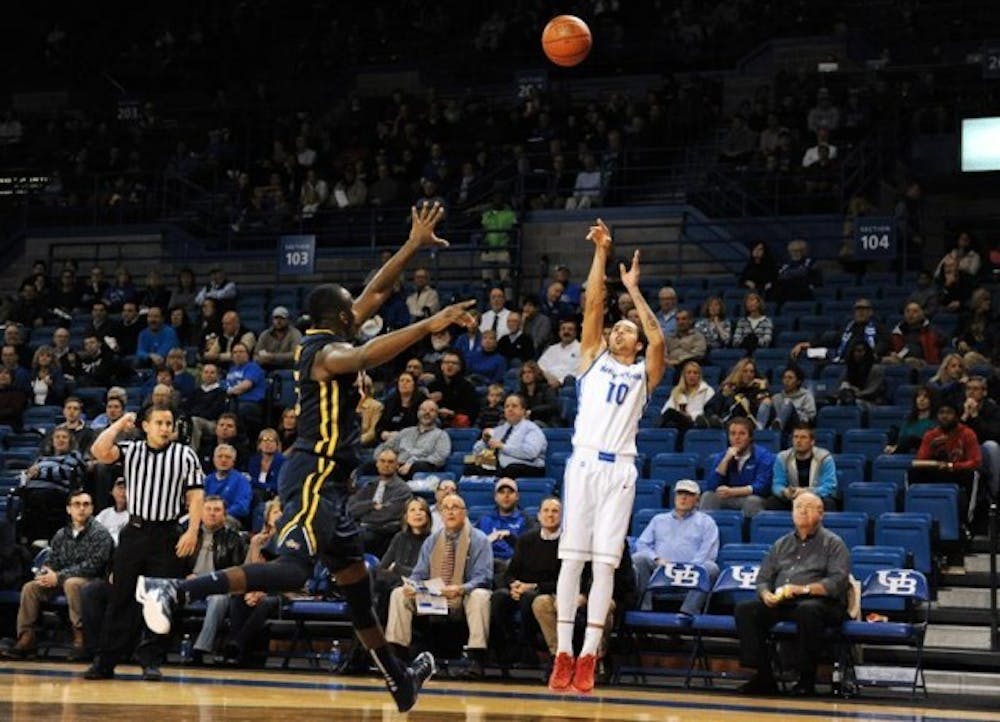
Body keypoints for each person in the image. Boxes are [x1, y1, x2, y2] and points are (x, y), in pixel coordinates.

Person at [135, 203, 470, 712]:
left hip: (334, 483)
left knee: (357, 589)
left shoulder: (327, 331)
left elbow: (376, 292)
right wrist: (428, 325)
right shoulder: (324, 353)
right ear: (339, 319)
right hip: (312, 473)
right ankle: (174, 590)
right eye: (350, 312)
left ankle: (399, 679)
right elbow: (360, 356)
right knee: (293, 570)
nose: (359, 311)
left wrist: (411, 244)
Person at [548, 219, 666, 694]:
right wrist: (601, 255)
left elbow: (659, 340)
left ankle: (589, 656)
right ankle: (562, 653)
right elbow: (593, 303)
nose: (619, 332)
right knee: (571, 562)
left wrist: (635, 292)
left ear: (633, 342)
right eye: (616, 328)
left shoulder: (644, 373)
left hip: (619, 467)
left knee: (604, 565)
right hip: (582, 464)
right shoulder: (591, 357)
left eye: (626, 330)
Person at [83, 405, 205, 682]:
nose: (165, 428)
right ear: (146, 426)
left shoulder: (185, 455)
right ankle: (106, 661)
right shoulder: (132, 450)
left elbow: (197, 496)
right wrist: (118, 425)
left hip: (168, 534)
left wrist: (192, 532)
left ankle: (150, 659)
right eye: (159, 423)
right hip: (135, 532)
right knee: (120, 597)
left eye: (169, 423)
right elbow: (99, 451)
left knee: (160, 601)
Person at [735, 492, 850, 697]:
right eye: (798, 507)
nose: (802, 511)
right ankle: (763, 676)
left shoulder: (834, 544)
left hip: (823, 604)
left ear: (821, 513)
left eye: (808, 507)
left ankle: (806, 679)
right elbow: (762, 579)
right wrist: (766, 594)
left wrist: (803, 589)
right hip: (785, 602)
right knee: (746, 610)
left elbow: (837, 583)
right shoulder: (781, 544)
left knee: (808, 610)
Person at [384, 493, 493, 678]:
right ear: (440, 514)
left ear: (464, 513)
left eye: (455, 508)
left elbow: (484, 576)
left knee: (480, 596)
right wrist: (413, 585)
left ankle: (476, 658)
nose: (450, 512)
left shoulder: (479, 539)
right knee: (399, 594)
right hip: (434, 595)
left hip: (460, 596)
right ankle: (398, 655)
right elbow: (419, 572)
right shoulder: (432, 540)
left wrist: (460, 588)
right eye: (446, 508)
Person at [2, 490, 113, 661]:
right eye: (77, 504)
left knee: (72, 583)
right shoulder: (62, 534)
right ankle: (27, 637)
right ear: (69, 509)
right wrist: (46, 572)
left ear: (92, 509)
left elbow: (94, 565)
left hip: (93, 582)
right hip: (62, 579)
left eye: (86, 504)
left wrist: (59, 577)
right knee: (31, 588)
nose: (81, 509)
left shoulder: (100, 534)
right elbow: (52, 559)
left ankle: (80, 636)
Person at [489, 496, 562, 673]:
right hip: (522, 589)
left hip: (547, 591)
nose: (550, 515)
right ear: (538, 515)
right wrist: (514, 584)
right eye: (546, 511)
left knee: (530, 598)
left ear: (561, 516)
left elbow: (563, 580)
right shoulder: (526, 540)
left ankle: (527, 649)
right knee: (499, 597)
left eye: (555, 511)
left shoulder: (566, 543)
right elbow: (511, 572)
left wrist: (534, 586)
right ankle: (508, 647)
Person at [632, 480, 719, 614]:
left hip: (692, 573)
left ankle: (688, 611)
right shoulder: (658, 520)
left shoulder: (706, 522)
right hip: (661, 568)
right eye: (680, 493)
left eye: (688, 494)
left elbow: (708, 552)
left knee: (711, 568)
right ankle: (645, 608)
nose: (683, 498)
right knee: (639, 558)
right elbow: (642, 544)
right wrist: (656, 559)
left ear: (697, 500)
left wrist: (688, 569)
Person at [186, 496, 248, 664]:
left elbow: (237, 571)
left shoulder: (234, 538)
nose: (212, 514)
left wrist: (215, 580)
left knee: (219, 600)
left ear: (224, 514)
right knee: (163, 595)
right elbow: (177, 563)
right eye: (208, 509)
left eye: (217, 510)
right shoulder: (189, 534)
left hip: (217, 586)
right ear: (201, 512)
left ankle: (200, 649)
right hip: (189, 584)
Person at [909, 403, 982, 536]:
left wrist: (952, 466)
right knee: (913, 472)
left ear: (956, 416)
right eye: (942, 413)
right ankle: (914, 516)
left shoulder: (967, 433)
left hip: (958, 472)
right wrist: (932, 447)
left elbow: (976, 462)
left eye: (949, 413)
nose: (945, 416)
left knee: (972, 474)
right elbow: (920, 460)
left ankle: (966, 523)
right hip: (937, 472)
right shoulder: (931, 435)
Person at [374, 498, 433, 623]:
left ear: (427, 517)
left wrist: (397, 568)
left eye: (421, 510)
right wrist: (400, 575)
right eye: (412, 510)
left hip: (421, 589)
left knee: (391, 592)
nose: (417, 513)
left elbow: (425, 574)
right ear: (406, 517)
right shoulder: (399, 538)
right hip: (396, 584)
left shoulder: (433, 541)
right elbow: (381, 569)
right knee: (382, 585)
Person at [700, 418, 774, 518]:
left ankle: (748, 533)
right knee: (708, 496)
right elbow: (711, 486)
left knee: (752, 501)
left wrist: (732, 491)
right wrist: (726, 460)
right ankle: (706, 531)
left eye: (742, 434)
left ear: (750, 437)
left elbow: (762, 486)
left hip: (752, 498)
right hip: (728, 497)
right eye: (733, 434)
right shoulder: (723, 456)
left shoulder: (764, 456)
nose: (737, 437)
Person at [348, 448, 413, 557]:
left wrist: (362, 514)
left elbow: (386, 515)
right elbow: (350, 508)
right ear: (377, 464)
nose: (386, 465)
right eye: (382, 461)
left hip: (383, 533)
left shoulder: (403, 490)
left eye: (390, 462)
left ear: (397, 465)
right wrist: (371, 505)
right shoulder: (369, 485)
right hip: (361, 528)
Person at [470, 394, 547, 478]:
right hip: (500, 465)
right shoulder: (500, 429)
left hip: (527, 466)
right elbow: (476, 452)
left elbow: (530, 453)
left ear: (523, 410)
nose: (510, 409)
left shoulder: (532, 429)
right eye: (507, 406)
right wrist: (484, 441)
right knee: (471, 460)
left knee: (511, 469)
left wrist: (503, 447)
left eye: (514, 406)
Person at [370, 400, 452, 480]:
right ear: (418, 413)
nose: (427, 413)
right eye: (423, 410)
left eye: (432, 410)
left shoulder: (441, 435)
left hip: (420, 468)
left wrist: (411, 464)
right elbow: (384, 447)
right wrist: (383, 461)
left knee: (419, 466)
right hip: (397, 465)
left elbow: (440, 458)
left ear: (436, 415)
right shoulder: (406, 432)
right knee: (370, 465)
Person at [766, 425, 838, 511]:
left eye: (803, 437)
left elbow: (830, 487)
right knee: (772, 502)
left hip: (815, 497)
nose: (798, 441)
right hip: (792, 498)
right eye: (796, 437)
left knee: (829, 503)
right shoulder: (782, 457)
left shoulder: (824, 458)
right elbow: (777, 484)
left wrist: (807, 492)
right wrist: (785, 491)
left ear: (812, 441)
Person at [475, 478, 534, 576]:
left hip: (513, 567)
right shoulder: (484, 520)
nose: (506, 496)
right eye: (502, 492)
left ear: (517, 496)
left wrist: (511, 536)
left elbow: (530, 550)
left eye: (510, 492)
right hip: (487, 565)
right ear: (495, 497)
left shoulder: (526, 520)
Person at [660, 360, 715, 432]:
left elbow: (708, 412)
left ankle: (654, 431)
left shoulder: (708, 390)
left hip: (696, 423)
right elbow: (665, 410)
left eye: (695, 373)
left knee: (670, 414)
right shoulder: (678, 391)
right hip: (679, 422)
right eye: (689, 372)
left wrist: (690, 416)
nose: (692, 375)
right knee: (670, 422)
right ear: (684, 375)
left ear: (699, 376)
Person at [885, 385, 938, 455]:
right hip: (903, 452)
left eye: (926, 397)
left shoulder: (935, 423)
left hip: (920, 453)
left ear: (932, 400)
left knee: (910, 439)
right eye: (918, 396)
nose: (921, 399)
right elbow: (901, 438)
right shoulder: (909, 420)